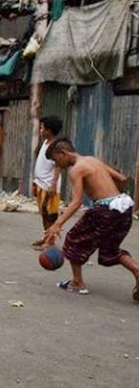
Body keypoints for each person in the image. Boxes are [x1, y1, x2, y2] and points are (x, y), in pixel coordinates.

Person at [43, 138, 139, 300]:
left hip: (105, 210)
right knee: (110, 249)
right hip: (124, 206)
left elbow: (76, 202)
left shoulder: (76, 170)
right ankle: (137, 271)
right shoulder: (92, 160)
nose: (57, 165)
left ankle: (77, 283)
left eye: (55, 160)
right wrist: (112, 194)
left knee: (74, 239)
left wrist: (57, 224)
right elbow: (121, 179)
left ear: (63, 153)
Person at [31, 116, 63, 249]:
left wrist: (54, 184)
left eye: (42, 128)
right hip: (41, 183)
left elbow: (57, 165)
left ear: (49, 131)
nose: (40, 130)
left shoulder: (55, 146)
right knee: (44, 212)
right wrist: (35, 181)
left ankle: (50, 241)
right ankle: (46, 237)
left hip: (49, 185)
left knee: (51, 214)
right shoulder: (44, 143)